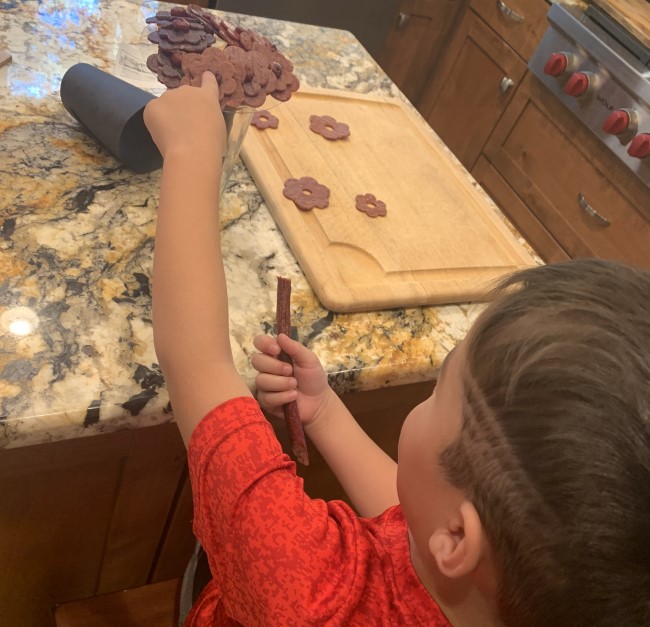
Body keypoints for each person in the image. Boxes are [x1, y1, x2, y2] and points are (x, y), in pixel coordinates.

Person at [144, 72, 650, 626]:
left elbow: (196, 363)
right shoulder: (472, 577)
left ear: (461, 537)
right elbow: (416, 514)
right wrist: (327, 413)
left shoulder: (308, 591)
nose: (431, 395)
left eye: (440, 389)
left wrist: (192, 150)